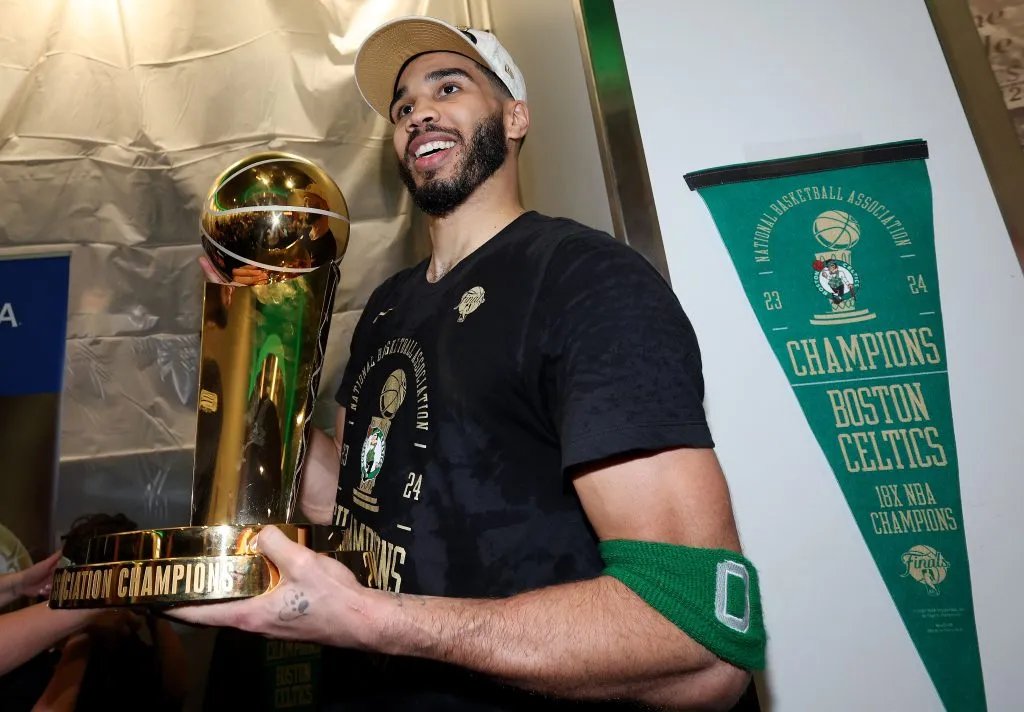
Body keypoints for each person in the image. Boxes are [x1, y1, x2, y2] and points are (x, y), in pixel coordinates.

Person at [180, 15, 766, 711]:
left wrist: (373, 623)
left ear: (515, 118)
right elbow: (346, 498)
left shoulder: (585, 281)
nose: (417, 111)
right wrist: (255, 344)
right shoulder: (388, 307)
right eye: (402, 107)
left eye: (448, 86)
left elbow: (697, 632)